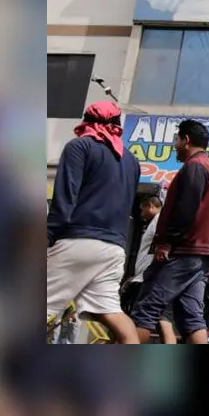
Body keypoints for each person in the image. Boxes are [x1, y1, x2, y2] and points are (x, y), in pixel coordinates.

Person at [46, 101, 141, 344]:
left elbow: (65, 198)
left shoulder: (79, 147)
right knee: (112, 313)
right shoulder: (130, 160)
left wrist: (47, 236)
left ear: (87, 121)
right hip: (114, 249)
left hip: (79, 241)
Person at [131, 119, 209, 344]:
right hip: (198, 254)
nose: (174, 145)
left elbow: (185, 209)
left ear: (186, 140)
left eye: (177, 139)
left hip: (184, 251)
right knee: (191, 317)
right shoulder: (205, 166)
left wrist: (167, 242)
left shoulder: (195, 167)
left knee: (147, 308)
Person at [120, 196, 176, 344]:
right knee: (164, 320)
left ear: (150, 206)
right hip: (156, 278)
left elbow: (158, 249)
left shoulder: (159, 220)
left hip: (148, 279)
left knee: (140, 319)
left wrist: (144, 275)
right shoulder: (158, 222)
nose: (141, 214)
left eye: (142, 209)